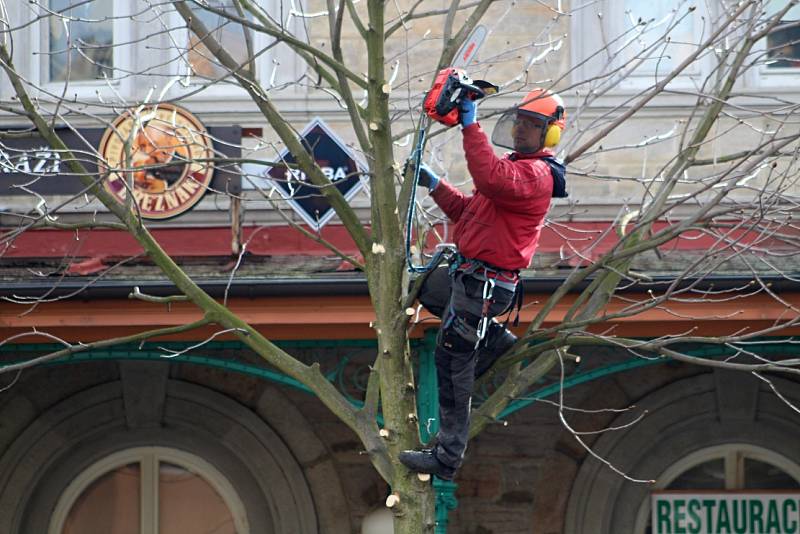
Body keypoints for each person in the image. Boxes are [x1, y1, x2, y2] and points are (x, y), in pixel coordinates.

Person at [399, 88, 568, 481]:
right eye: (521, 123)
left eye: (533, 126)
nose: (523, 131)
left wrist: (470, 125)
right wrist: (435, 184)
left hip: (486, 284)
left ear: (550, 135)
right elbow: (467, 211)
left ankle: (446, 456)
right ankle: (492, 339)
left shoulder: (535, 175)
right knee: (429, 287)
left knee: (453, 359)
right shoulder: (515, 170)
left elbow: (490, 179)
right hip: (470, 277)